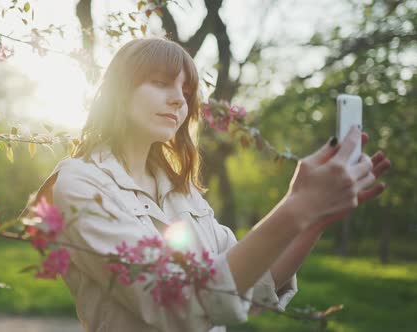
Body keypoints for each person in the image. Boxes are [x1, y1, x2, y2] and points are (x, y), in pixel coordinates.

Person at [33, 38, 391, 332]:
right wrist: (296, 205)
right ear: (119, 92)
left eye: (186, 90)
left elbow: (250, 286)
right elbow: (178, 305)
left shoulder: (180, 190)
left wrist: (315, 218)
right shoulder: (78, 183)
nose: (179, 99)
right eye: (160, 83)